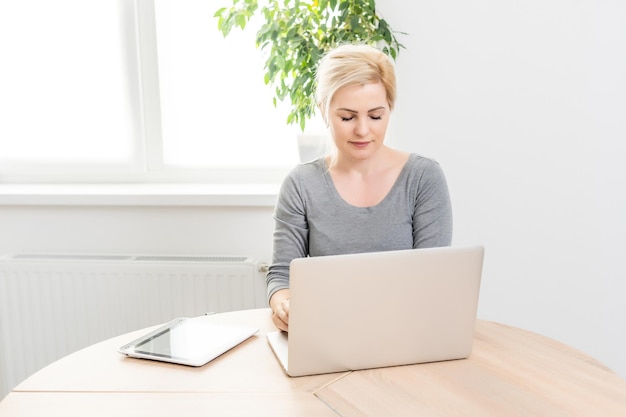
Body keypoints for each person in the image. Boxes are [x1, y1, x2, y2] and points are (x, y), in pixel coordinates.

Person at [266, 44, 453, 332]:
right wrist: (283, 306)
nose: (363, 130)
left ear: (390, 108)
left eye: (375, 116)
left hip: (404, 333)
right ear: (323, 111)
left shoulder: (423, 178)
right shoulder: (301, 185)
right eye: (347, 117)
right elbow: (282, 277)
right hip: (326, 334)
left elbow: (432, 280)